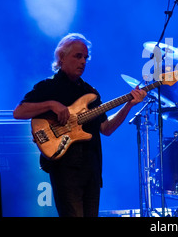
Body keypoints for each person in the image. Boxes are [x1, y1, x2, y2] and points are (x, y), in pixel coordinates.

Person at [13, 33, 146, 217]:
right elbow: (19, 112)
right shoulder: (48, 87)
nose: (83, 61)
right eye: (78, 56)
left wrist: (129, 104)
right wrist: (51, 104)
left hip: (91, 170)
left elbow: (106, 129)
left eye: (86, 57)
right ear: (62, 58)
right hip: (66, 171)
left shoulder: (90, 92)